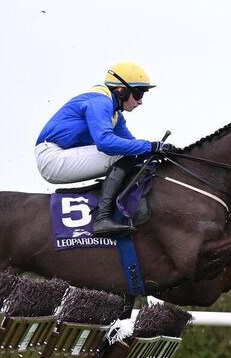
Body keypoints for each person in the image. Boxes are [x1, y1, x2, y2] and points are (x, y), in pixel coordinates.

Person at [34, 61, 174, 237]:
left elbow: (131, 143)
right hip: (52, 158)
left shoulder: (115, 113)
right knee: (125, 153)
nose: (140, 101)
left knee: (133, 153)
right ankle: (102, 218)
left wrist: (160, 150)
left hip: (63, 156)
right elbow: (105, 143)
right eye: (138, 93)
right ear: (121, 91)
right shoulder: (100, 101)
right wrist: (149, 146)